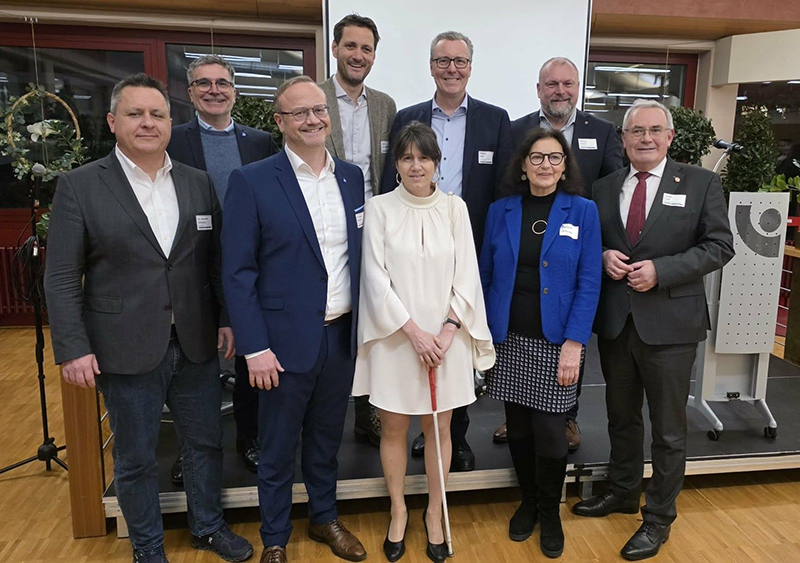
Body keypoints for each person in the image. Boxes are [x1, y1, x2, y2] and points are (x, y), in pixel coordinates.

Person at [44, 73, 253, 563]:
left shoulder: (196, 182)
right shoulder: (80, 186)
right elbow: (60, 278)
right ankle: (147, 547)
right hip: (124, 344)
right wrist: (73, 347)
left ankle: (207, 525)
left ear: (170, 122)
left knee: (203, 443)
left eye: (157, 114)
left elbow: (215, 261)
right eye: (135, 114)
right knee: (135, 457)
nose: (147, 123)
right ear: (114, 121)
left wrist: (225, 317)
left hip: (196, 340)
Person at [572, 99, 734, 561]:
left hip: (672, 325)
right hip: (618, 323)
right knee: (621, 418)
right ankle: (622, 491)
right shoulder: (602, 188)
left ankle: (659, 516)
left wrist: (662, 270)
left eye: (654, 130)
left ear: (669, 137)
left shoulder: (701, 183)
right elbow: (591, 240)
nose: (645, 138)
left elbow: (720, 246)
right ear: (621, 140)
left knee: (668, 429)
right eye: (635, 131)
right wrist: (603, 255)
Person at [222, 76, 366, 563]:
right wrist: (254, 347)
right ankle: (276, 539)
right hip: (280, 345)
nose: (312, 119)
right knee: (278, 448)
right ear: (280, 122)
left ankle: (324, 519)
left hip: (341, 336)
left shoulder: (351, 177)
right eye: (299, 113)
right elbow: (237, 273)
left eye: (319, 110)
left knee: (327, 439)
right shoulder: (252, 180)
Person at [353, 121, 494, 563]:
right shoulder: (378, 209)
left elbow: (467, 275)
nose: (416, 165)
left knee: (439, 429)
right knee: (394, 429)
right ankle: (398, 510)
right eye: (407, 157)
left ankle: (435, 511)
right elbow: (374, 279)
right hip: (397, 339)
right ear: (396, 163)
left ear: (437, 162)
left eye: (424, 157)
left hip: (445, 342)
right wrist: (413, 333)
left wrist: (448, 330)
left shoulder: (455, 209)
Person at [381, 30, 512, 472]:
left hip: (467, 246)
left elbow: (503, 191)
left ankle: (454, 433)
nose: (451, 68)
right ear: (431, 65)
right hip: (414, 250)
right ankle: (424, 430)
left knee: (455, 345)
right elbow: (390, 179)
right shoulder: (408, 116)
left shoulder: (496, 120)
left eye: (460, 61)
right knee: (420, 336)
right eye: (443, 61)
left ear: (471, 67)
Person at [480, 128, 601, 558]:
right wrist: (484, 336)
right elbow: (487, 274)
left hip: (556, 341)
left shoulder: (583, 211)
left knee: (551, 433)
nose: (545, 165)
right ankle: (527, 503)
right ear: (523, 164)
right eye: (537, 157)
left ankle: (550, 510)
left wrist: (575, 343)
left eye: (554, 158)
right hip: (509, 337)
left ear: (565, 165)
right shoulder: (501, 210)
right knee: (519, 428)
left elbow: (589, 281)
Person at [492, 56, 622, 450]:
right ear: (539, 89)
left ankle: (567, 418)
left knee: (568, 340)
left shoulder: (602, 132)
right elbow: (505, 186)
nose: (560, 91)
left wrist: (601, 250)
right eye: (552, 85)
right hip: (527, 241)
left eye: (568, 84)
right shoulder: (515, 131)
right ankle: (517, 411)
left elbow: (612, 193)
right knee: (520, 338)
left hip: (575, 250)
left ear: (577, 87)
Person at [167, 54, 279, 482]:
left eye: (222, 83)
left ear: (234, 91)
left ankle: (248, 438)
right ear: (191, 92)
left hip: (249, 264)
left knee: (251, 355)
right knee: (194, 365)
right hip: (190, 263)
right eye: (203, 83)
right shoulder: (173, 140)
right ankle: (192, 452)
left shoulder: (260, 141)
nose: (214, 90)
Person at [320, 13, 397, 447]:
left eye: (366, 49)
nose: (358, 55)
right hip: (325, 226)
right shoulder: (315, 98)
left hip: (373, 227)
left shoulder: (385, 105)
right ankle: (326, 406)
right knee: (334, 314)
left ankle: (366, 410)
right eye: (350, 46)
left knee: (371, 318)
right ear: (335, 48)